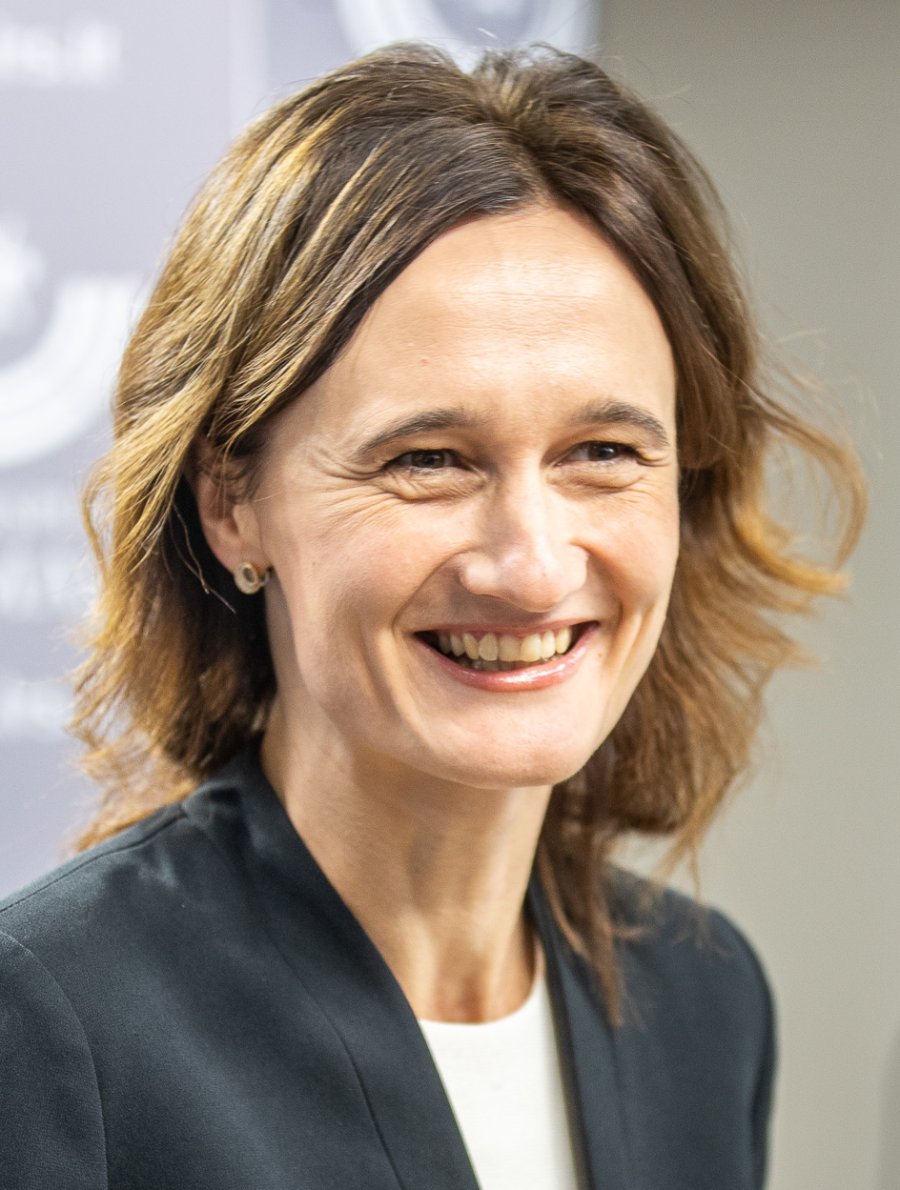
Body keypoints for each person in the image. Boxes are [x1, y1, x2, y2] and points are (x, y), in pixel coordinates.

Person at [0, 42, 863, 1190]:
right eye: (428, 459)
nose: (533, 565)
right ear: (231, 503)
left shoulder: (706, 1006)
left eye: (603, 451)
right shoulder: (52, 1025)